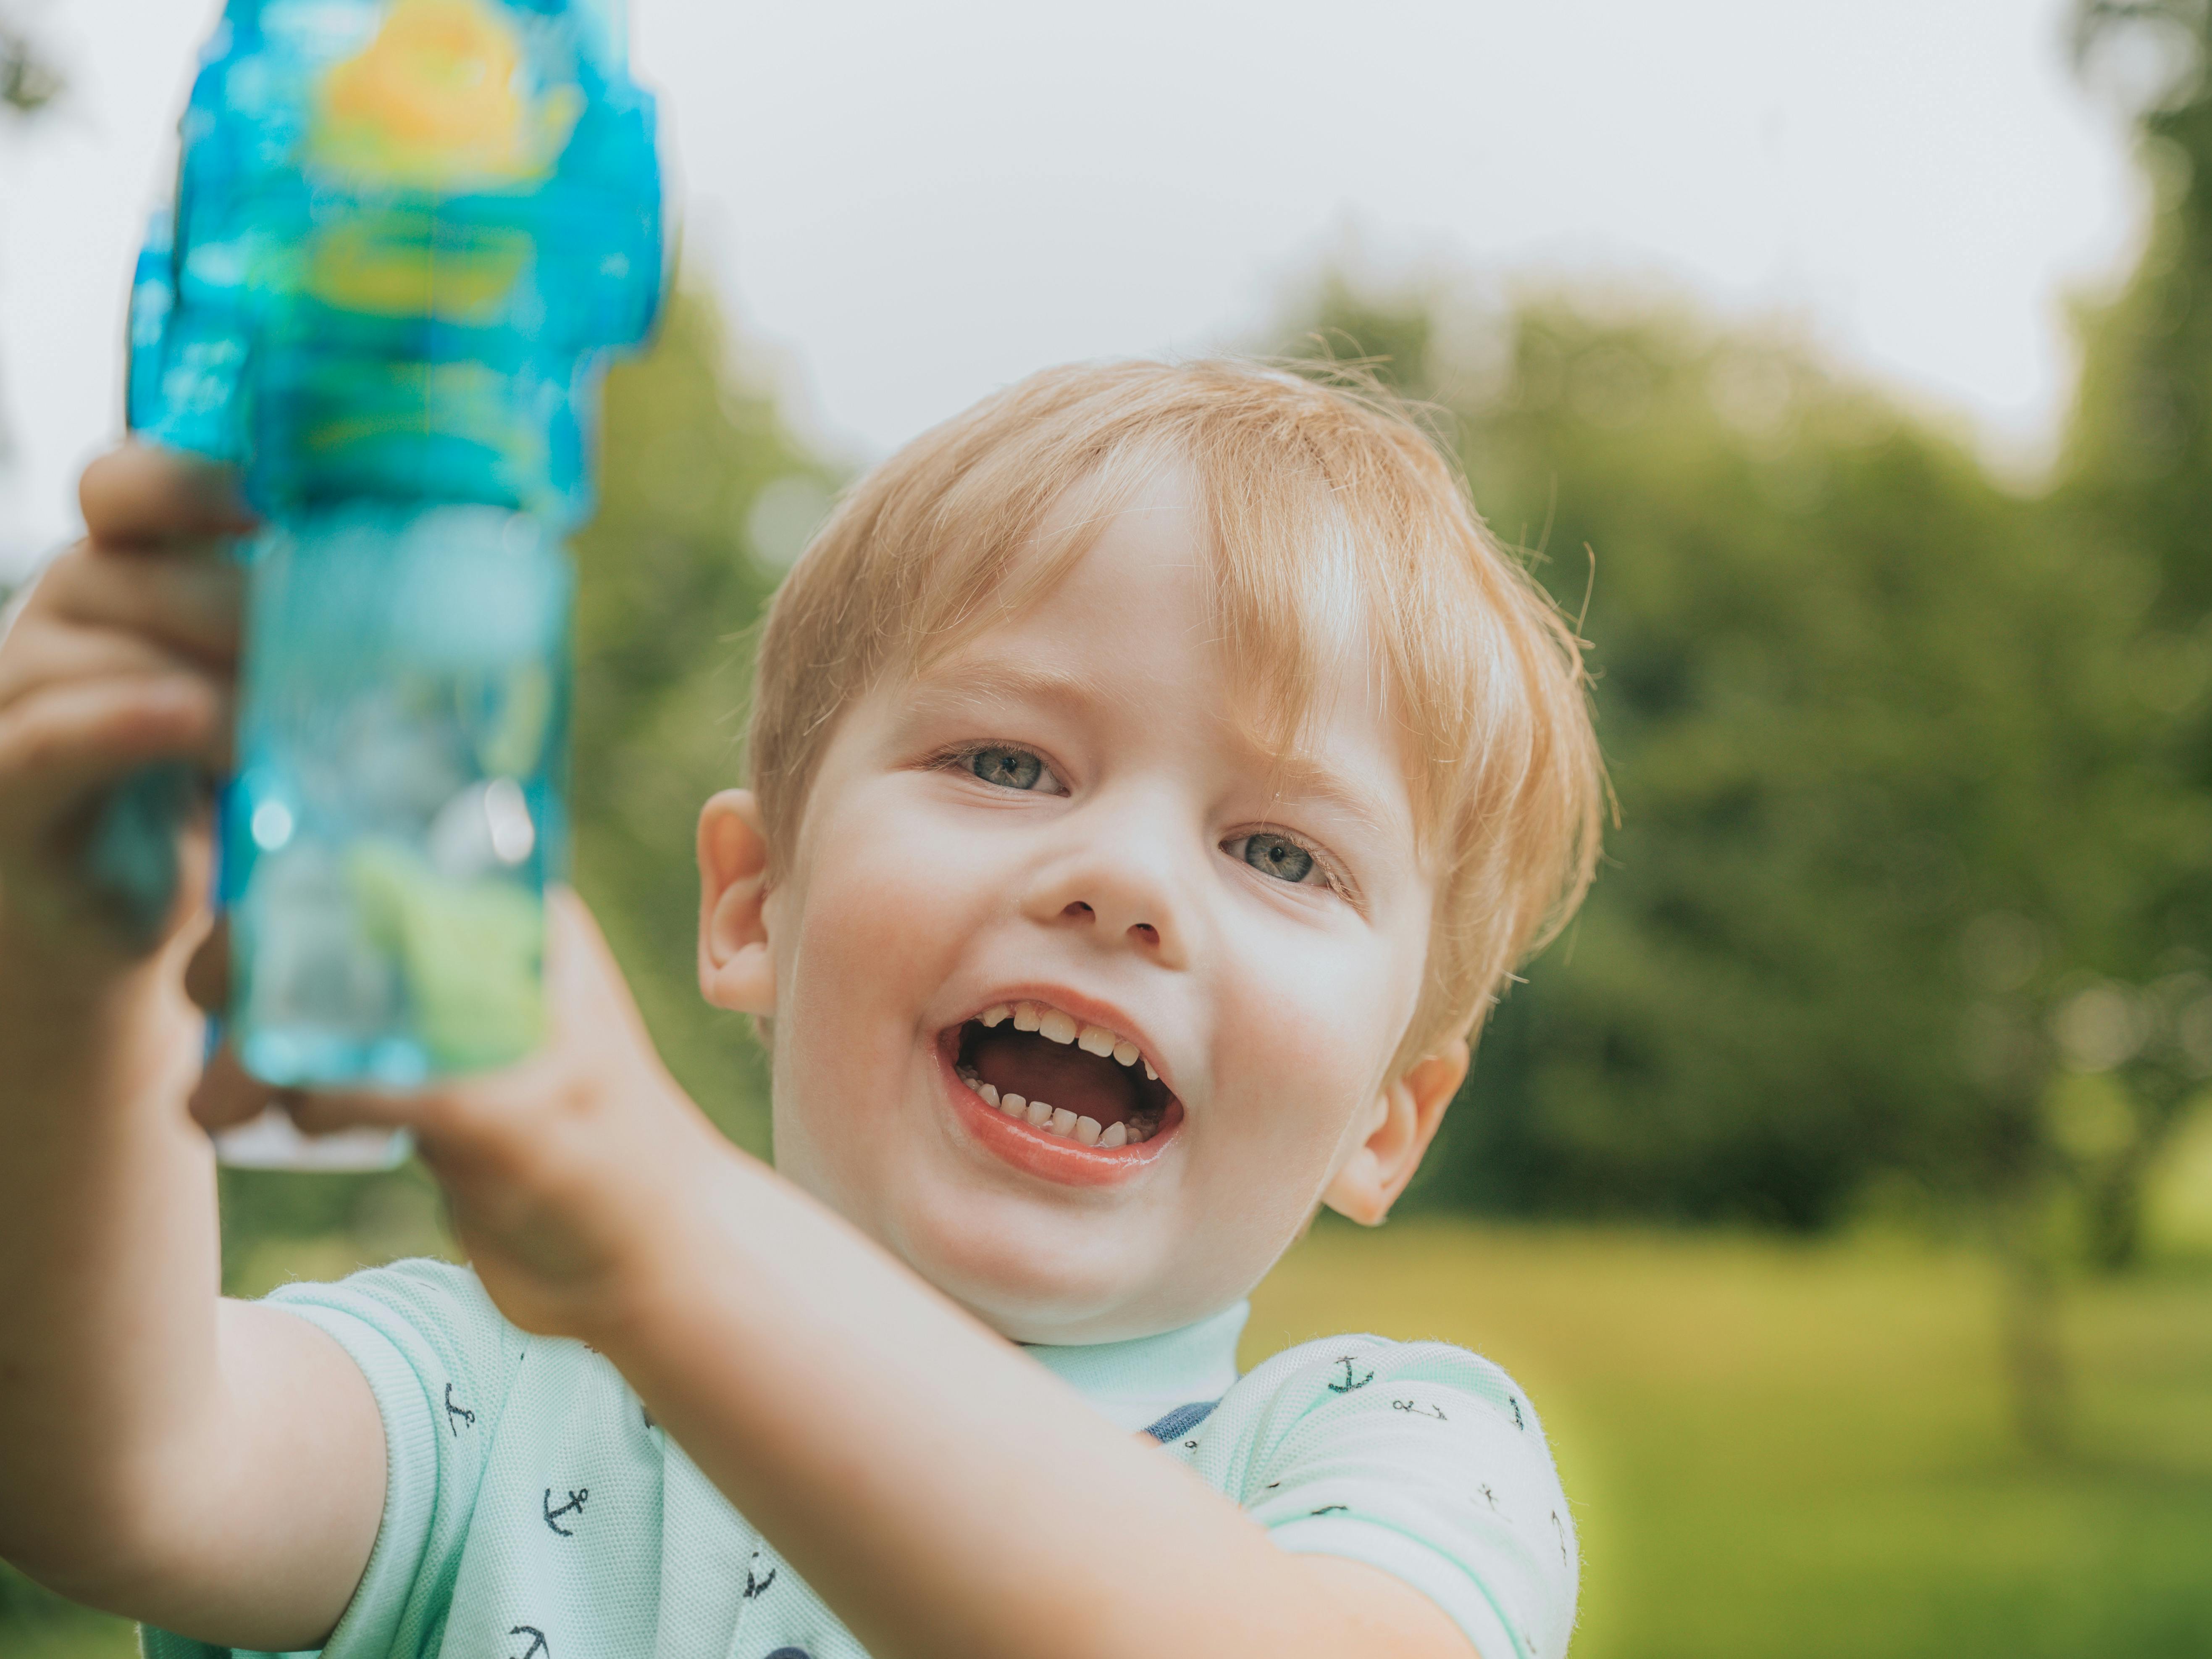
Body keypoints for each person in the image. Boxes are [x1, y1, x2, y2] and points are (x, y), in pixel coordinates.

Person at [0, 359, 1603, 1659]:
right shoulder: (485, 1389)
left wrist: (657, 1221)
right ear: (757, 906)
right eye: (1004, 762)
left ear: (1390, 1115)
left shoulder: (1385, 1454)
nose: (1121, 882)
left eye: (1277, 851)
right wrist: (72, 968)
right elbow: (120, 1472)